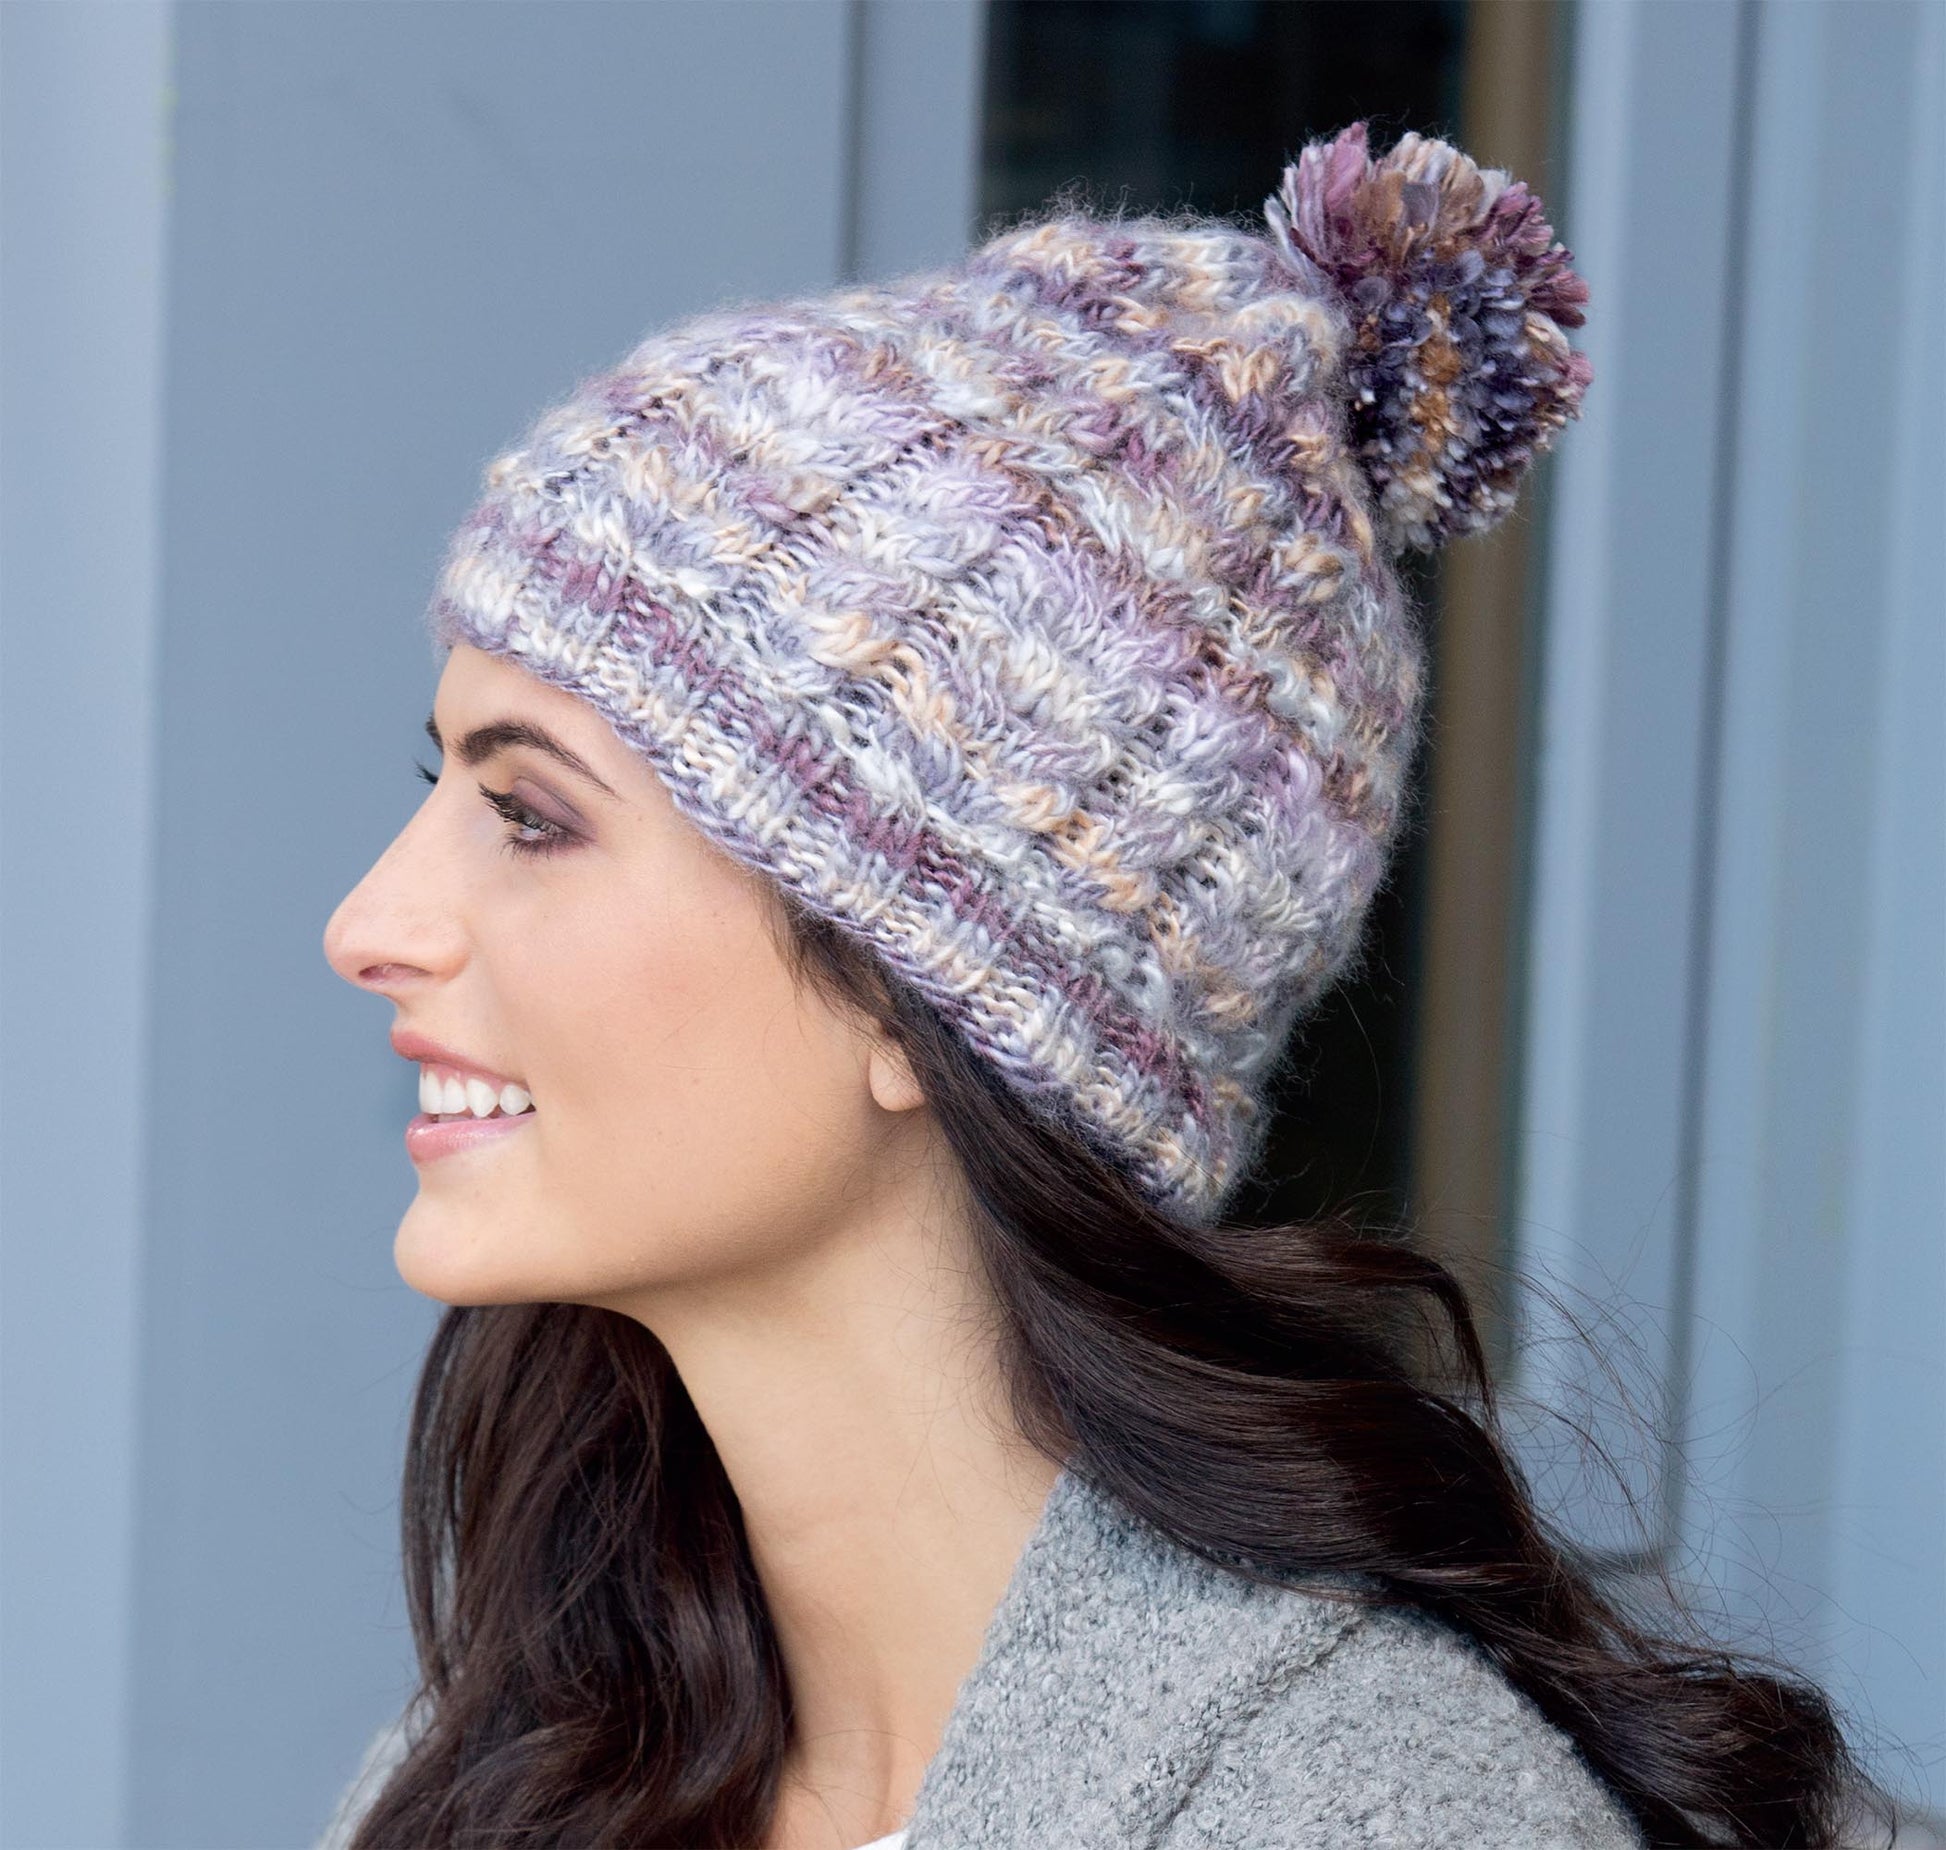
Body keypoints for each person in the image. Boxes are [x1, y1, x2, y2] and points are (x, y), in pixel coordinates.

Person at [319, 122, 1888, 1849]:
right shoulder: (512, 1756)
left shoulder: (1362, 1808)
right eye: (437, 788)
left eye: (531, 817)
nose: (371, 921)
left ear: (912, 986)